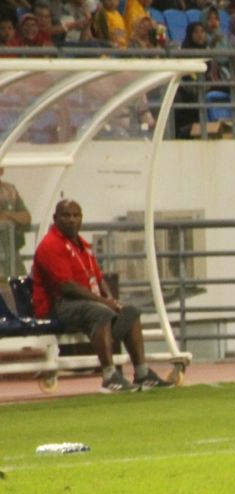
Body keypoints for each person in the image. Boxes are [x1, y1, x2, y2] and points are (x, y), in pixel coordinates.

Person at [31, 199, 175, 393]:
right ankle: (109, 377)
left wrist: (112, 301)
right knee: (100, 312)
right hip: (58, 306)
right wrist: (105, 302)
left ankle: (142, 374)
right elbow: (66, 287)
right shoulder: (51, 245)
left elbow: (98, 278)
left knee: (130, 312)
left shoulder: (82, 245)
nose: (71, 220)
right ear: (55, 218)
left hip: (83, 304)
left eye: (76, 215)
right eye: (66, 215)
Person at [0, 166, 30, 276]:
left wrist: (7, 215)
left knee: (20, 286)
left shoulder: (10, 190)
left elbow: (26, 217)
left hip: (12, 252)